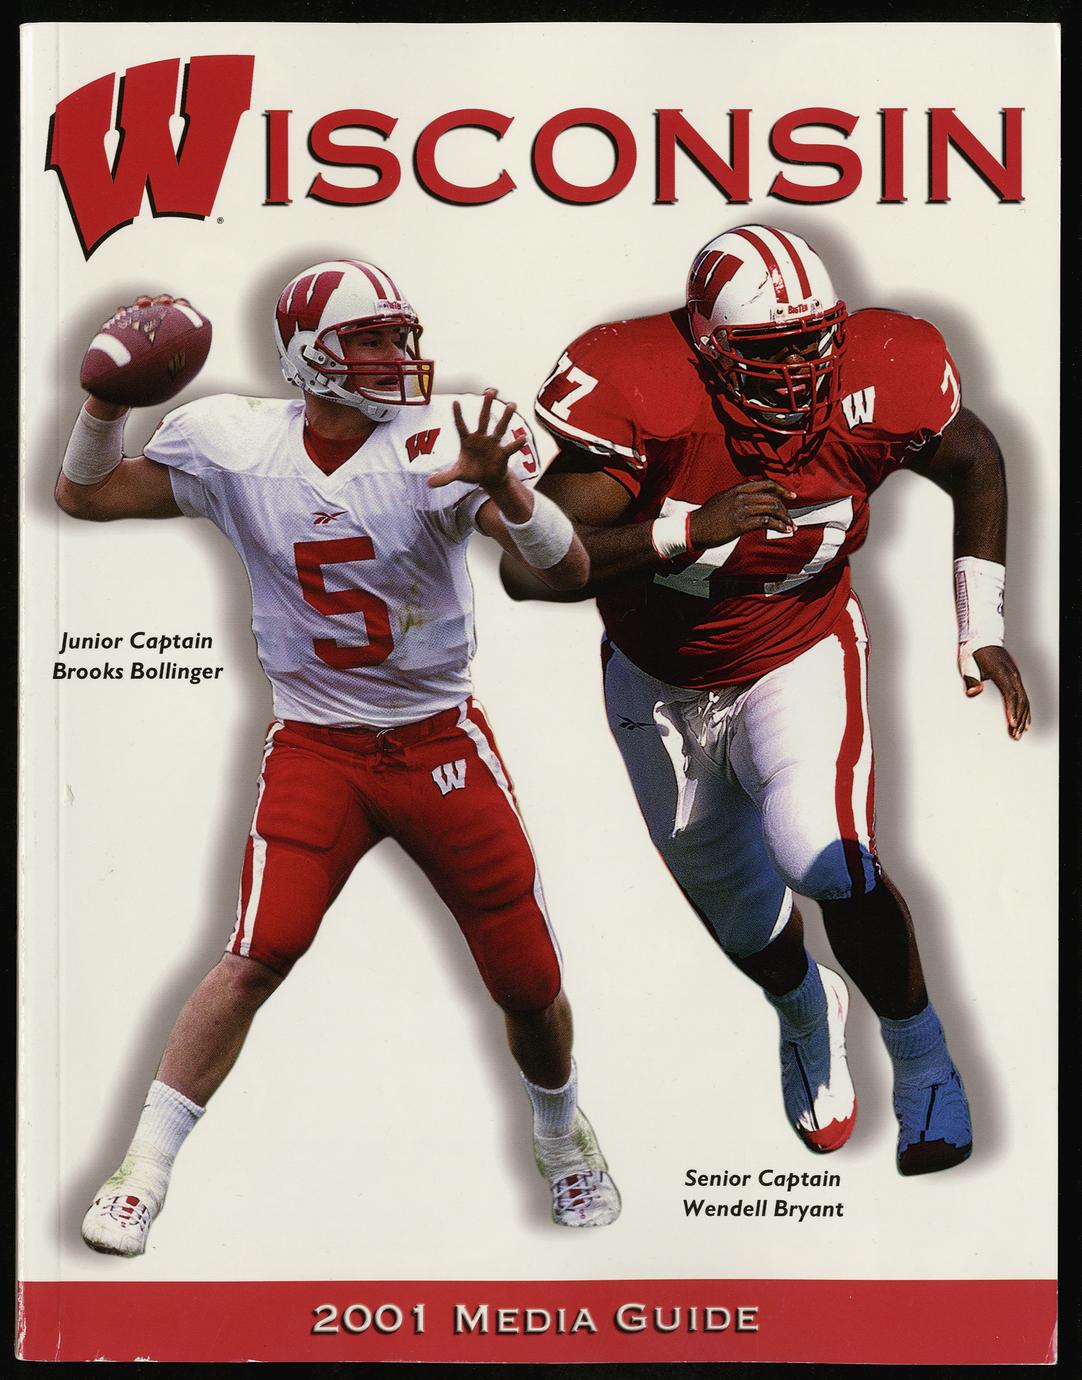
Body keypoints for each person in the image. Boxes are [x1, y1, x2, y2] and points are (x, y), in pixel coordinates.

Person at [60, 259, 621, 1256]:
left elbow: (566, 569)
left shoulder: (445, 438)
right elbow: (87, 496)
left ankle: (559, 1132)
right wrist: (103, 401)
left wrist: (508, 489)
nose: (399, 358)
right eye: (371, 340)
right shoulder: (237, 443)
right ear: (306, 358)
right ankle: (141, 1168)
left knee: (525, 976)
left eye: (403, 336)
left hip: (438, 741)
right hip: (316, 744)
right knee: (254, 952)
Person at [501, 224, 1030, 1175]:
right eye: (767, 350)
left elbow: (975, 459)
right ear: (706, 345)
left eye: (809, 342)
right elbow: (531, 572)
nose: (795, 373)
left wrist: (980, 621)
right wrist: (683, 529)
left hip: (800, 651)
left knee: (822, 856)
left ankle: (923, 1061)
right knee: (748, 919)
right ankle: (803, 1009)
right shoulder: (642, 389)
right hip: (658, 684)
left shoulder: (884, 370)